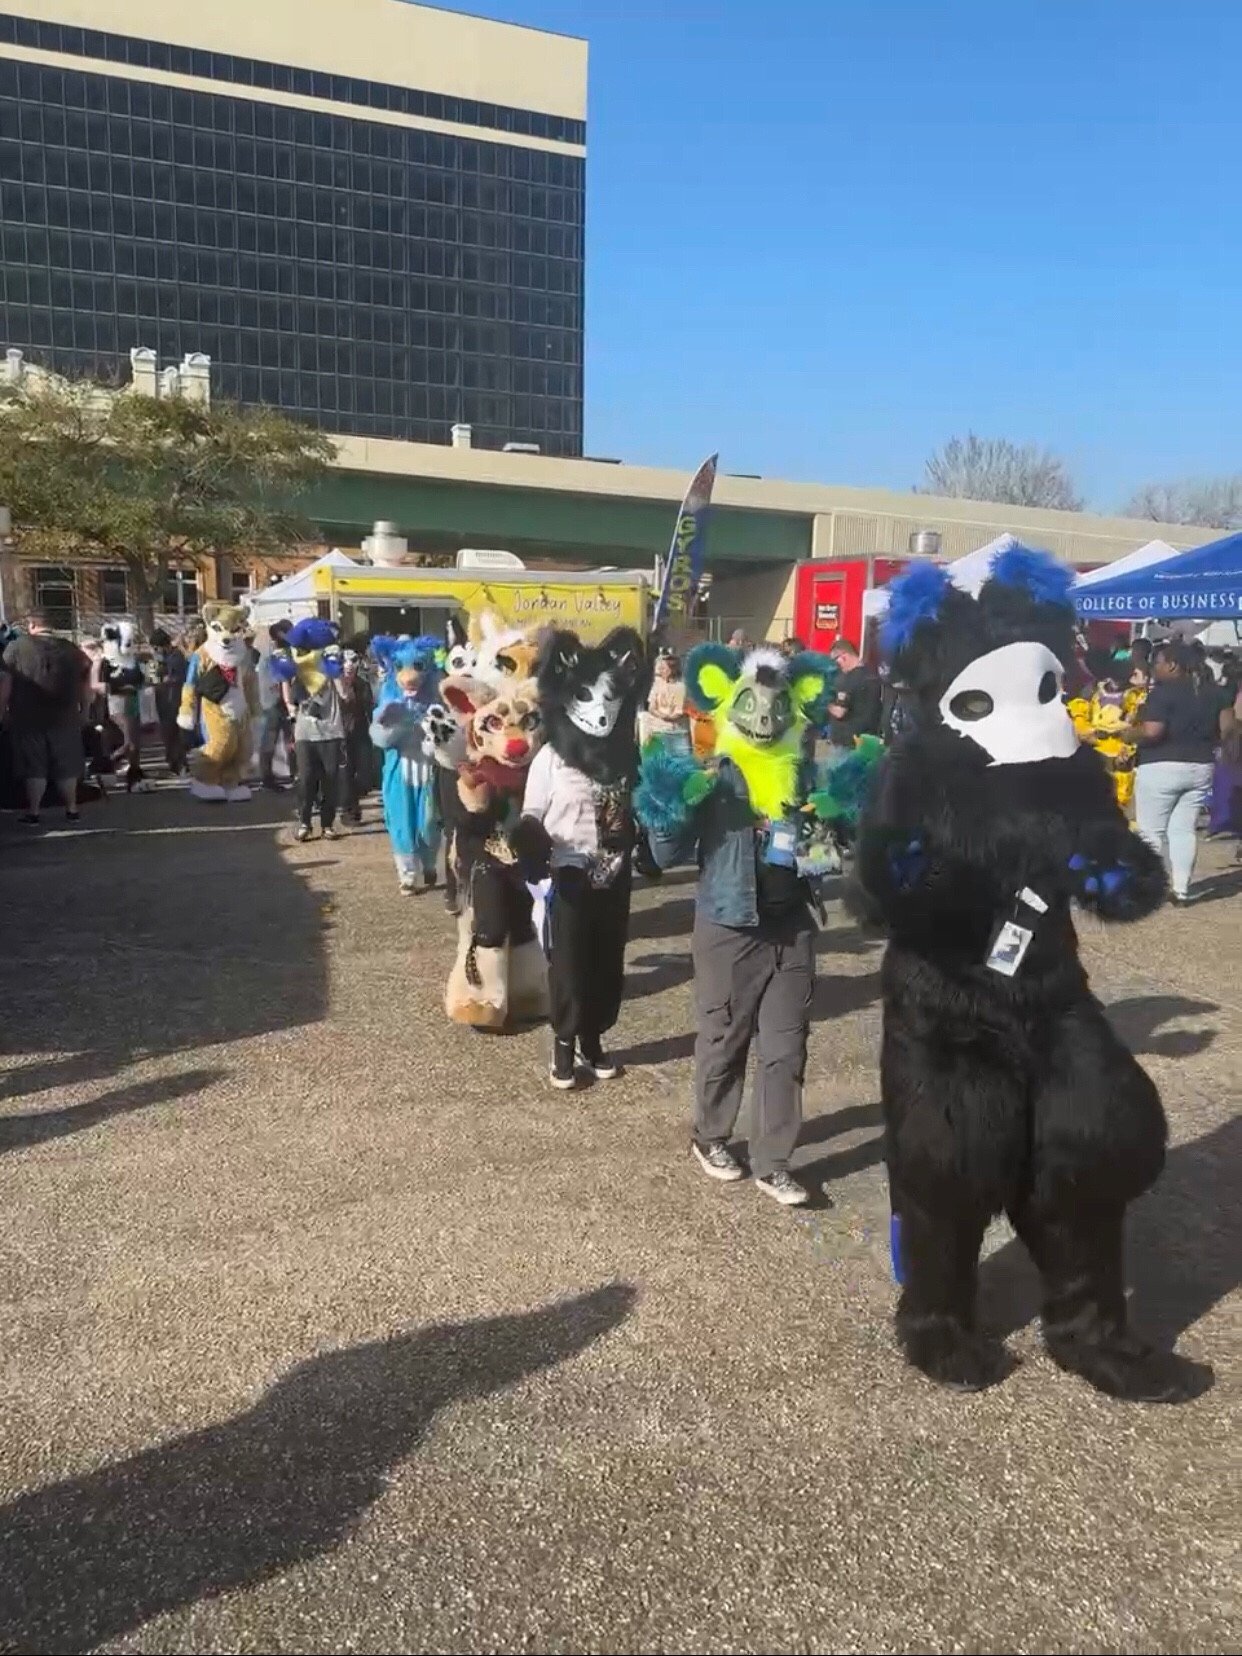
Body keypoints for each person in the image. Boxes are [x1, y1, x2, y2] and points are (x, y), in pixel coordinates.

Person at [635, 642, 879, 1207]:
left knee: (787, 1048)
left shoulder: (802, 774)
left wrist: (841, 817)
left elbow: (835, 848)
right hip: (730, 924)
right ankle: (711, 1135)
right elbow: (663, 851)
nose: (767, 718)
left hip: (792, 924)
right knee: (725, 1038)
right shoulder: (718, 777)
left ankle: (774, 1160)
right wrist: (671, 798)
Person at [513, 626, 649, 1089]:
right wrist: (528, 837)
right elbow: (532, 810)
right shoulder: (551, 758)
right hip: (568, 873)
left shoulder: (626, 757)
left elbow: (643, 807)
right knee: (570, 963)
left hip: (614, 872)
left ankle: (594, 1037)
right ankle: (564, 1044)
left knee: (607, 962)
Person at [1130, 640, 1233, 904]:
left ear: (1172, 665)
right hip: (1200, 766)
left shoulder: (1163, 693)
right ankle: (1182, 889)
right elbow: (1228, 730)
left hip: (1161, 766)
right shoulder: (1215, 692)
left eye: (1158, 663)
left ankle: (1147, 889)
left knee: (1151, 831)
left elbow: (1153, 732)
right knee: (1183, 829)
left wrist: (1128, 732)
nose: (1155, 668)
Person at [0, 610, 91, 826]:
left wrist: (2, 711)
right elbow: (85, 685)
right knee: (67, 766)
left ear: (32, 625)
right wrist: (85, 711)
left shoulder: (16, 648)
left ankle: (34, 812)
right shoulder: (72, 650)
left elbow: (5, 683)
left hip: (28, 717)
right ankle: (72, 809)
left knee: (34, 766)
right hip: (66, 716)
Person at [275, 619, 347, 842]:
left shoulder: (329, 658)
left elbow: (344, 693)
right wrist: (290, 705)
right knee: (306, 779)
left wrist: (337, 671)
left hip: (331, 730)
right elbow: (285, 680)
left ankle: (327, 824)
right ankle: (305, 822)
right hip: (305, 731)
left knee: (330, 780)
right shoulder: (294, 659)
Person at [337, 646, 375, 824]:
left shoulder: (363, 685)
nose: (349, 665)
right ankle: (349, 810)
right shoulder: (335, 685)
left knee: (365, 775)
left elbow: (370, 709)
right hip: (340, 735)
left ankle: (353, 801)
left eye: (353, 661)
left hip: (361, 733)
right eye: (345, 661)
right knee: (345, 774)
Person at [256, 619, 295, 791]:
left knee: (272, 740)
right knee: (283, 739)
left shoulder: (267, 653)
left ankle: (268, 776)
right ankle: (272, 777)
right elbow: (282, 680)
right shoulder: (280, 654)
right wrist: (289, 702)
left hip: (268, 700)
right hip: (277, 702)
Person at [824, 637, 882, 751]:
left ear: (844, 657)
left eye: (836, 661)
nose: (836, 666)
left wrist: (824, 704)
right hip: (867, 738)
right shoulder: (872, 674)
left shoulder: (847, 680)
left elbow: (840, 712)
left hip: (846, 741)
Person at [149, 628, 188, 777]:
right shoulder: (167, 657)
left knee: (174, 734)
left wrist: (164, 680)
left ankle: (179, 764)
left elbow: (178, 678)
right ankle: (173, 763)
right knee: (168, 734)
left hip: (174, 699)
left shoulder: (176, 657)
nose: (155, 651)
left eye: (156, 648)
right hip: (165, 700)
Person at [641, 649, 688, 744]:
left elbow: (678, 712)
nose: (661, 671)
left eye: (664, 668)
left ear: (672, 670)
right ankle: (645, 748)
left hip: (672, 721)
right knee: (643, 717)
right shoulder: (657, 684)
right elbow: (651, 707)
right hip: (658, 717)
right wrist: (660, 715)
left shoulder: (680, 687)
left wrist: (667, 717)